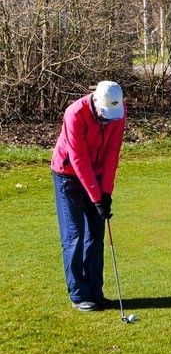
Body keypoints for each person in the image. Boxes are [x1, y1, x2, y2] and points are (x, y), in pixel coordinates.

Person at [51, 81, 126, 312]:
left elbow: (112, 154)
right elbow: (79, 159)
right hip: (68, 176)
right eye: (104, 115)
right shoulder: (75, 114)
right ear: (95, 101)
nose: (107, 120)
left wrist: (106, 194)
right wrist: (96, 197)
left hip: (98, 175)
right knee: (74, 235)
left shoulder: (118, 111)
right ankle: (79, 294)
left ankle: (95, 292)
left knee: (95, 234)